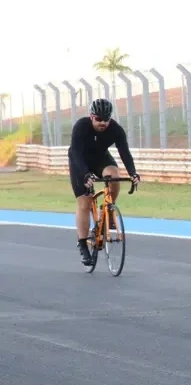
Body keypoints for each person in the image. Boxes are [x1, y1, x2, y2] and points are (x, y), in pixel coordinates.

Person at [68, 98, 140, 266]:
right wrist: (85, 175)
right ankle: (83, 244)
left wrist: (133, 173)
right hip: (80, 161)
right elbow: (76, 153)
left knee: (114, 173)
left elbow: (125, 153)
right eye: (99, 119)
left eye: (106, 119)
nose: (103, 123)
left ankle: (108, 208)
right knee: (85, 202)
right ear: (91, 117)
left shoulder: (115, 129)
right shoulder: (81, 126)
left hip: (100, 158)